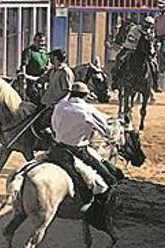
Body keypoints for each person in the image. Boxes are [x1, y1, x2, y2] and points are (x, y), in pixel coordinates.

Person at [48, 82, 119, 213]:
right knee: (110, 179)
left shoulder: (59, 106)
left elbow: (53, 126)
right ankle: (97, 211)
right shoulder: (87, 109)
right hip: (78, 151)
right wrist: (111, 139)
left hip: (56, 147)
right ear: (86, 95)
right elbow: (106, 130)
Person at [111, 16, 160, 93]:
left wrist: (152, 50)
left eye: (149, 25)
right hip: (130, 48)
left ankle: (155, 84)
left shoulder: (150, 31)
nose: (147, 26)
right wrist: (135, 44)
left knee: (154, 65)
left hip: (145, 52)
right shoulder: (135, 29)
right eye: (146, 24)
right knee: (120, 59)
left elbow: (151, 43)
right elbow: (130, 38)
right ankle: (116, 79)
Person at [20, 32, 49, 103]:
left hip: (43, 81)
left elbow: (48, 64)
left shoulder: (45, 53)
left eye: (42, 41)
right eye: (39, 41)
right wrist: (23, 79)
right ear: (34, 41)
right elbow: (24, 65)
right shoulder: (29, 51)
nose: (41, 43)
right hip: (31, 81)